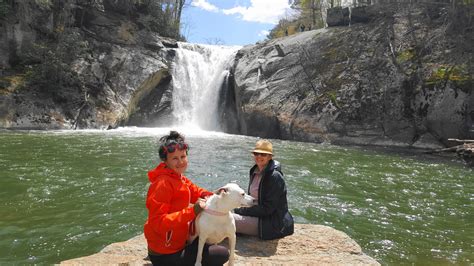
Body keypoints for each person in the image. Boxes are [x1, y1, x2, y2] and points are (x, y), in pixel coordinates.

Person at [144, 131, 229, 266]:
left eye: (183, 156)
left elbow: (196, 191)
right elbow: (157, 223)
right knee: (221, 254)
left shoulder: (178, 177)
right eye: (175, 158)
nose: (181, 162)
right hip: (165, 254)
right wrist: (192, 212)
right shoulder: (162, 184)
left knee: (211, 239)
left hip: (177, 243)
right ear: (165, 161)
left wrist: (215, 195)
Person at [233, 139, 294, 240]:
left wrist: (242, 211)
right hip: (258, 216)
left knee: (227, 219)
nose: (259, 156)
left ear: (270, 157)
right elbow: (253, 199)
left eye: (263, 154)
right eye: (257, 153)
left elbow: (268, 209)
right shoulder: (254, 171)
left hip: (269, 223)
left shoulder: (275, 177)